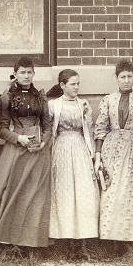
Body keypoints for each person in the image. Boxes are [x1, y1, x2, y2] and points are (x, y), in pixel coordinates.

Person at [0, 57, 52, 250]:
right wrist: (18, 138)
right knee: (12, 193)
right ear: (16, 74)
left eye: (29, 72)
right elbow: (2, 129)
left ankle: (31, 243)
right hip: (17, 148)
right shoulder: (7, 96)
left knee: (35, 195)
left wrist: (43, 142)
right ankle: (9, 242)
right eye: (22, 72)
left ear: (34, 74)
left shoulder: (40, 96)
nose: (26, 76)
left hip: (38, 151)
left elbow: (47, 125)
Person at [93, 60, 133, 246]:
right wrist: (97, 156)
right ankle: (111, 241)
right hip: (111, 150)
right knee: (111, 190)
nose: (126, 80)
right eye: (122, 77)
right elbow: (100, 128)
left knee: (132, 190)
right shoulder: (108, 100)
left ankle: (131, 240)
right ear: (117, 79)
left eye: (129, 76)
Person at [47, 69, 99, 243]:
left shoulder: (83, 104)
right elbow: (49, 130)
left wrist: (92, 153)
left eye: (78, 84)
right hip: (61, 147)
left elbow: (88, 130)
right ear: (62, 85)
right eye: (72, 84)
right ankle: (63, 238)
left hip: (79, 148)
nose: (77, 87)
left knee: (84, 189)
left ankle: (82, 239)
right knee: (63, 190)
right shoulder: (54, 105)